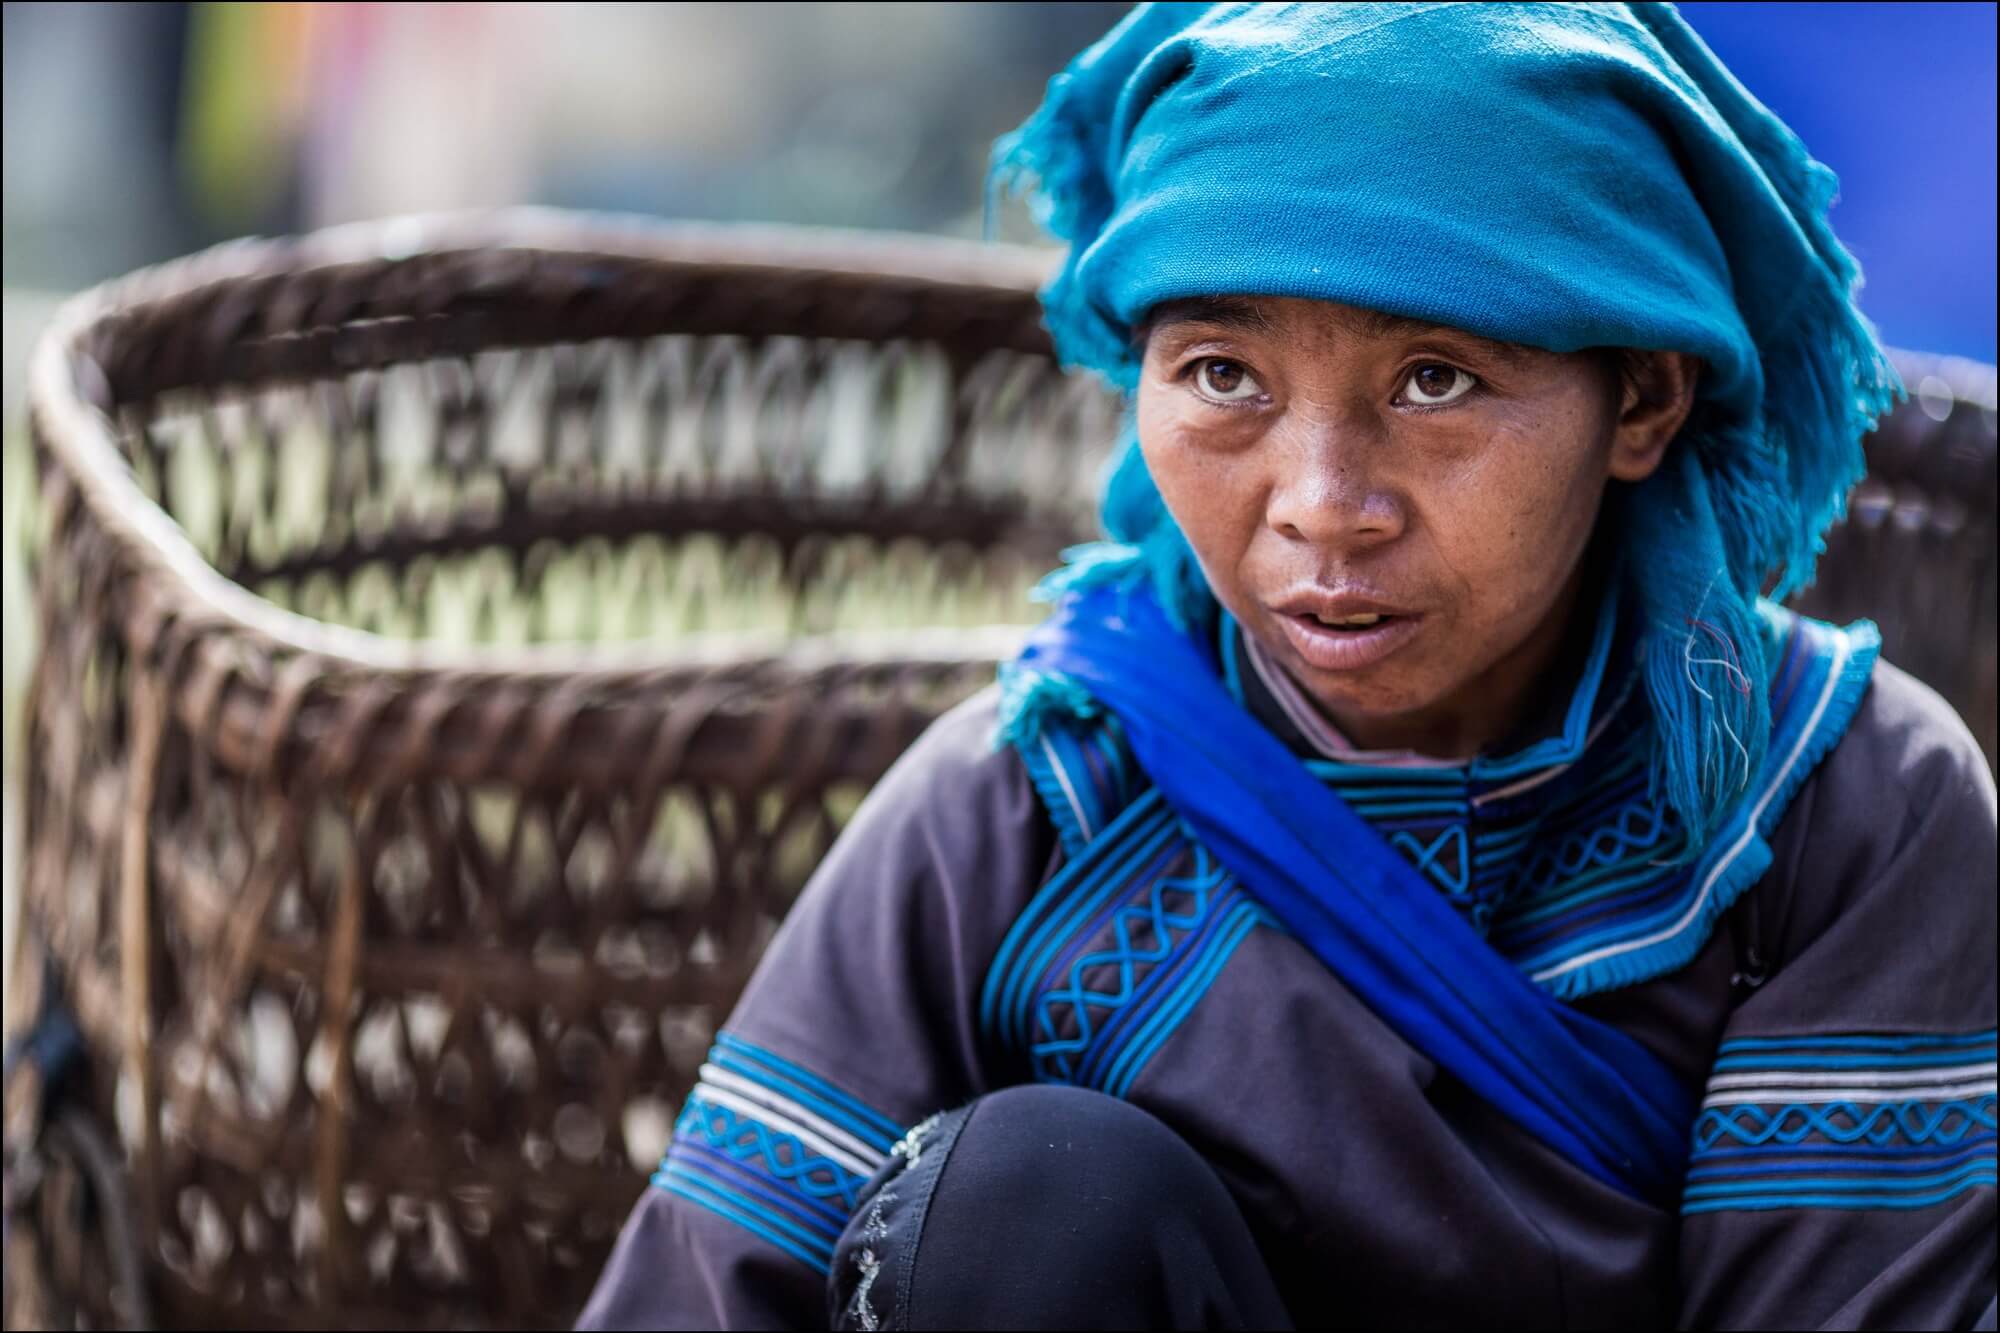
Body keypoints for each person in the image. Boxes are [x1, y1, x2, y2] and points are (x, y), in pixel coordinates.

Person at [578, 4, 1998, 1328]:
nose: (1323, 502)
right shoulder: (1035, 807)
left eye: (1437, 378)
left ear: (1640, 396)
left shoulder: (1839, 810)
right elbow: (712, 1288)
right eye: (1221, 376)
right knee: (1031, 1199)